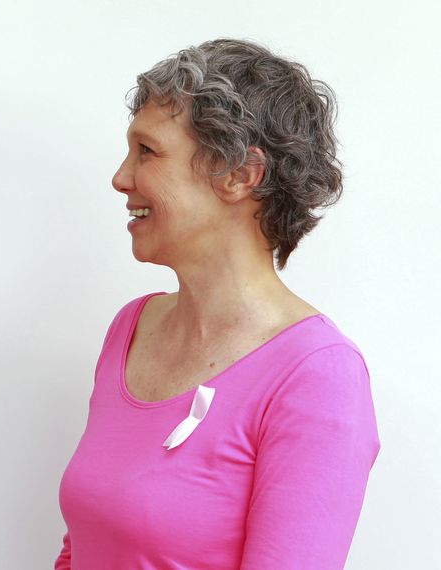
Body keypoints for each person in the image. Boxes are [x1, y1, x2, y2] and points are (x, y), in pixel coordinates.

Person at [56, 39, 379, 569]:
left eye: (148, 152)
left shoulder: (318, 377)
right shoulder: (131, 327)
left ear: (239, 174)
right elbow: (85, 547)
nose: (120, 177)